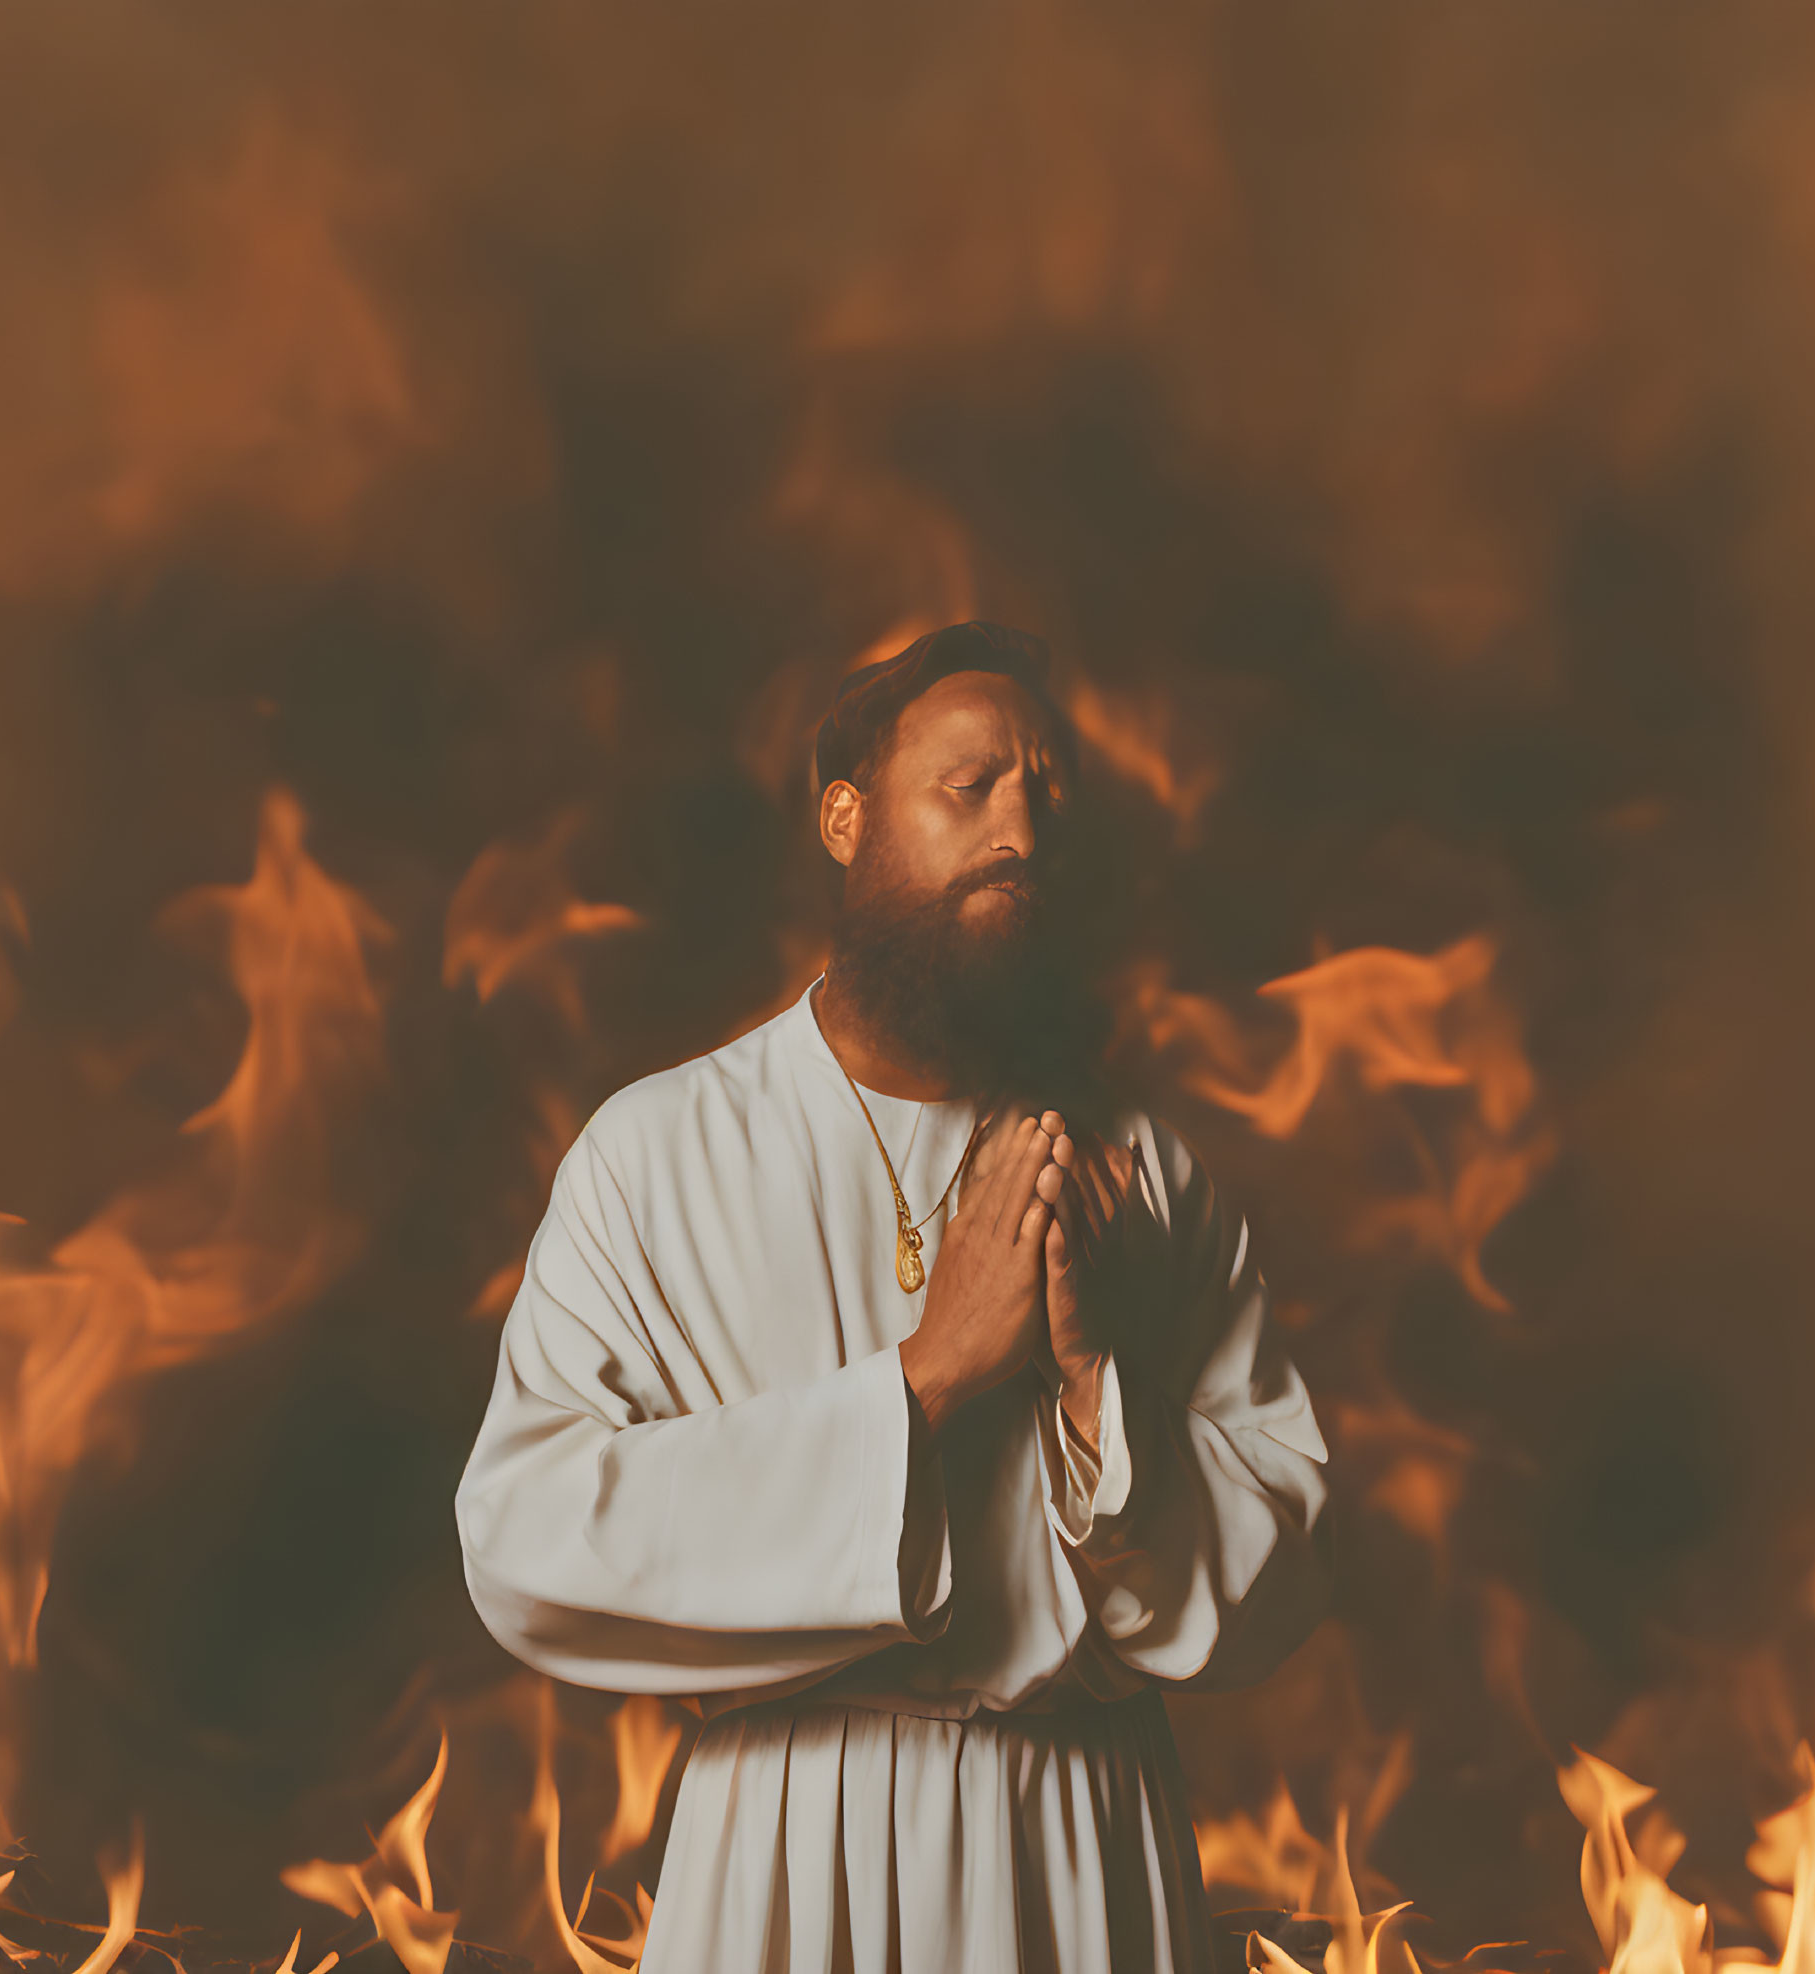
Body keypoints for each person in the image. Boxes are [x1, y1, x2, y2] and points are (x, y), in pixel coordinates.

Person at [456, 621, 1331, 1971]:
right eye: (971, 785)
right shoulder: (660, 1151)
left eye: (1044, 794)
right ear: (844, 816)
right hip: (785, 1847)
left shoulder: (1143, 1174)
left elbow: (1282, 1571)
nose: (1020, 831)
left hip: (1083, 1847)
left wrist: (1098, 1385)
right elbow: (524, 1540)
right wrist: (921, 1381)